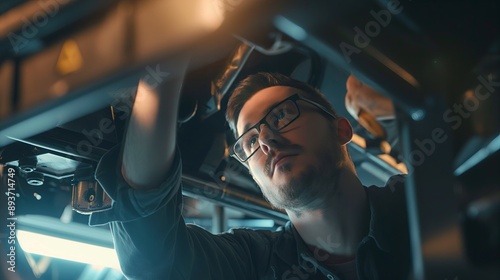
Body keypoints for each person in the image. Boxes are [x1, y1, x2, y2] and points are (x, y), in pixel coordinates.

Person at [90, 64, 411, 280]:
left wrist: (408, 115)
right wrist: (161, 75)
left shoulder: (417, 204)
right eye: (250, 141)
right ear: (254, 177)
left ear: (341, 129)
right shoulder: (252, 264)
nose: (267, 140)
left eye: (282, 115)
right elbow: (156, 262)